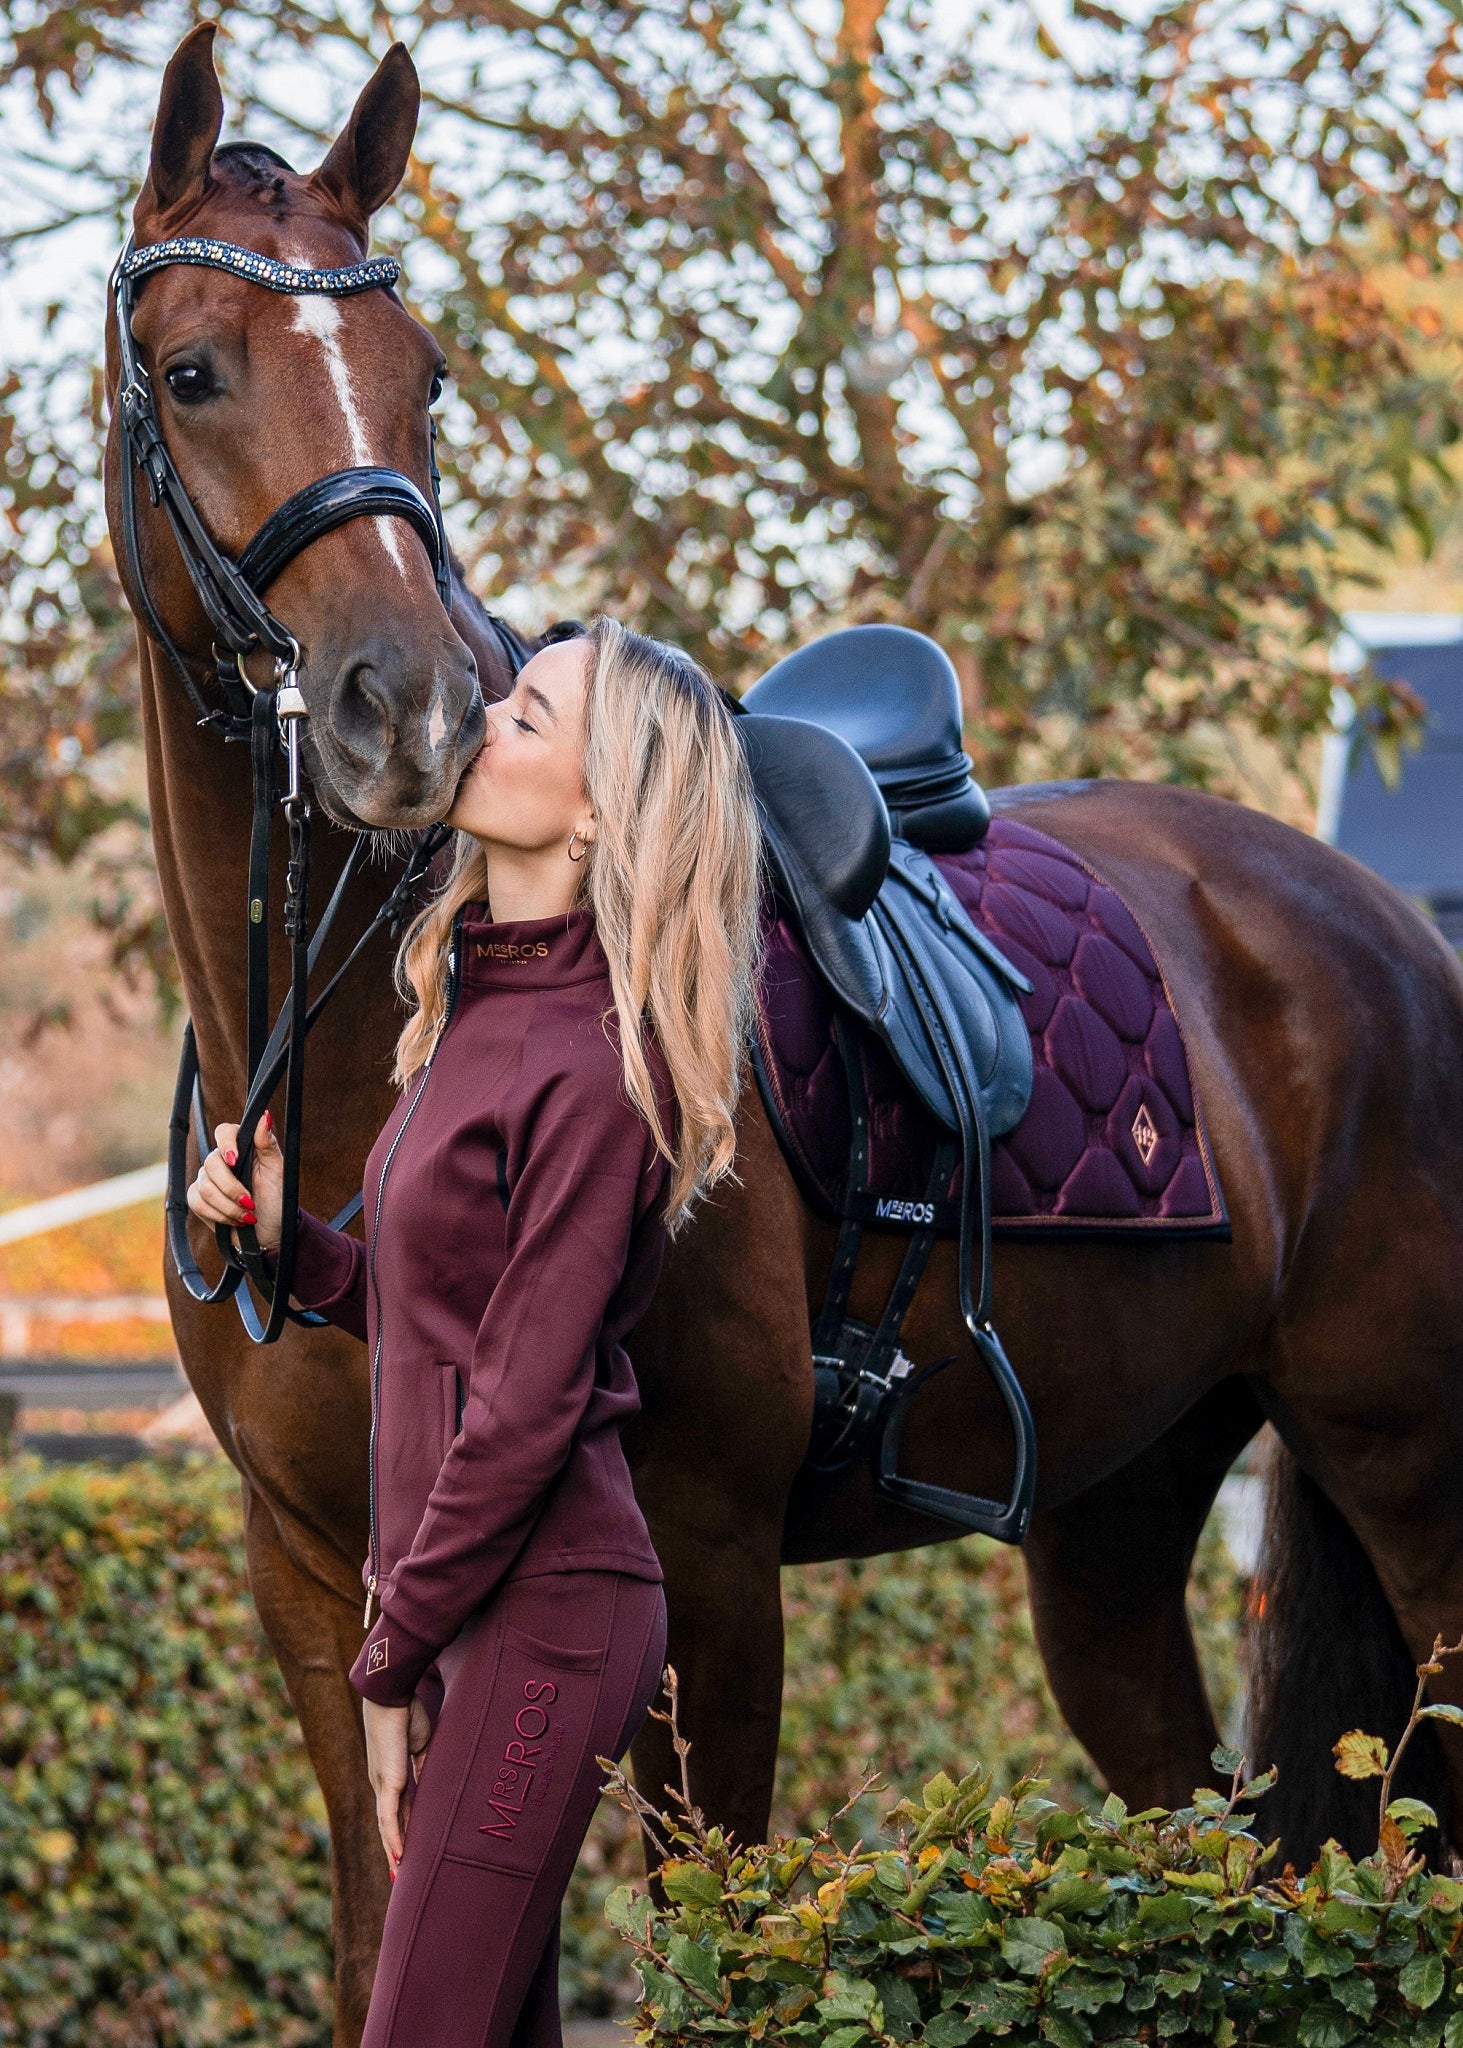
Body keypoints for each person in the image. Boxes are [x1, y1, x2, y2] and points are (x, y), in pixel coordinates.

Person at [188, 617, 762, 2048]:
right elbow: (424, 1310)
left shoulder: (592, 1060)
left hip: (548, 1619)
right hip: (466, 1613)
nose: (481, 720)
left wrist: (387, 1656)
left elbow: (522, 1405)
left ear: (593, 808)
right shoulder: (475, 1009)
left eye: (527, 713)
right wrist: (285, 1243)